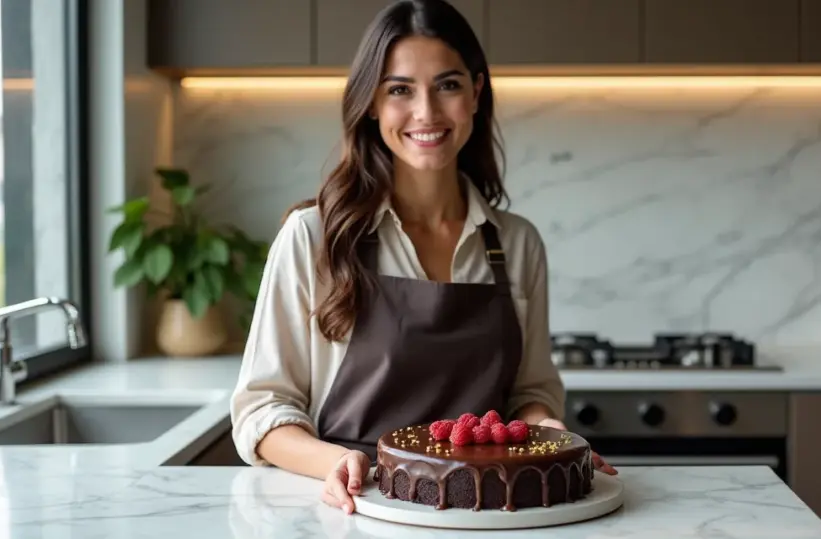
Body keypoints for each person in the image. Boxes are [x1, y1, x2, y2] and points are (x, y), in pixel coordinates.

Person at [229, 0, 616, 515]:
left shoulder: (517, 244)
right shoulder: (314, 237)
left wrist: (547, 431)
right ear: (370, 102)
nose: (427, 113)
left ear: (477, 93)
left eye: (448, 85)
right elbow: (262, 409)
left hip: (487, 514)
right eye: (399, 90)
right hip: (353, 509)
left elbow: (531, 390)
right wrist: (335, 462)